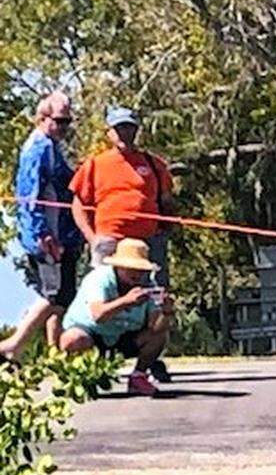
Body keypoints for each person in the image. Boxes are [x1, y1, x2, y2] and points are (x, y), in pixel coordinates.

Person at [69, 105, 175, 382]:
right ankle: (97, 357)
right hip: (110, 241)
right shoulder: (95, 164)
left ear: (136, 130)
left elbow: (166, 202)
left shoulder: (153, 164)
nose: (125, 133)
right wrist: (92, 238)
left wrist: (165, 227)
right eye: (119, 128)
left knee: (154, 296)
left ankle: (148, 359)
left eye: (129, 127)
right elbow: (78, 205)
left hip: (146, 242)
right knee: (105, 296)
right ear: (110, 132)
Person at [1, 91, 83, 365]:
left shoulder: (51, 145)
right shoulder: (39, 148)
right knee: (54, 294)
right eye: (59, 121)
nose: (64, 127)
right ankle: (13, 345)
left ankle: (54, 353)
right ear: (42, 118)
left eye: (67, 121)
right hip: (49, 235)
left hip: (60, 234)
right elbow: (30, 194)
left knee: (61, 296)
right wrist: (43, 234)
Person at [59, 238, 174, 397]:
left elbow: (156, 327)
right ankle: (77, 377)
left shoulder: (149, 285)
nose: (137, 274)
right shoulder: (99, 279)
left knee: (159, 336)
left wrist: (166, 313)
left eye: (141, 269)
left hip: (123, 336)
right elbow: (98, 315)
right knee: (72, 339)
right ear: (118, 266)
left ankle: (138, 377)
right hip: (91, 333)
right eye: (131, 269)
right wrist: (126, 301)